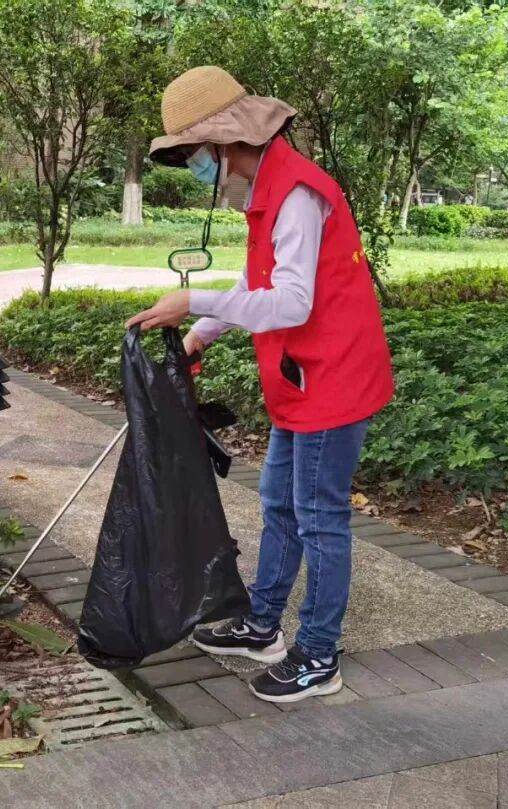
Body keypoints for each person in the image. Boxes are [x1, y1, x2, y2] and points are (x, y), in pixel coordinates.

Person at [127, 66, 394, 704]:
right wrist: (200, 333)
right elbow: (257, 282)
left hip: (333, 378)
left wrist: (193, 299)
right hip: (301, 377)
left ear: (224, 141)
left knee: (319, 517)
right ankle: (263, 623)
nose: (193, 166)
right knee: (278, 502)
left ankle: (318, 655)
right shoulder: (265, 190)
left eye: (193, 153)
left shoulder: (297, 194)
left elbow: (293, 302)